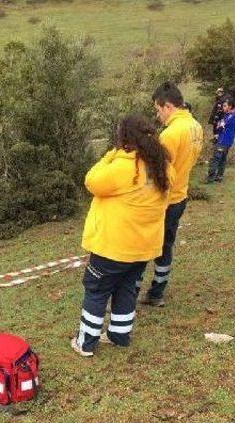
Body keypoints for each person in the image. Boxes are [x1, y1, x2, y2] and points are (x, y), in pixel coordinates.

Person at [71, 114, 175, 357]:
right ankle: (119, 335)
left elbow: (92, 181)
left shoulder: (122, 166)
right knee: (127, 289)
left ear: (124, 139)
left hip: (113, 247)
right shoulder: (163, 167)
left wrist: (112, 153)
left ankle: (86, 342)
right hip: (143, 247)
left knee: (96, 290)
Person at [139, 81, 203, 307]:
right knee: (166, 246)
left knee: (145, 247)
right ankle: (158, 290)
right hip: (180, 196)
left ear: (167, 106)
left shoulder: (170, 134)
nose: (158, 116)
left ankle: (137, 291)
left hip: (164, 200)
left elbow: (158, 173)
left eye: (158, 110)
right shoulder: (196, 126)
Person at [205, 97, 235, 183]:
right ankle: (219, 177)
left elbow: (219, 126)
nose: (223, 108)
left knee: (216, 159)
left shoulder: (231, 116)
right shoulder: (229, 115)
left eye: (225, 106)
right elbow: (220, 124)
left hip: (223, 141)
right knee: (223, 159)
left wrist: (219, 126)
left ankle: (210, 178)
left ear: (230, 106)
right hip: (228, 141)